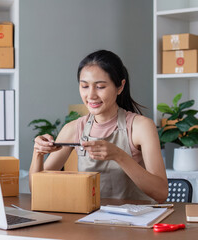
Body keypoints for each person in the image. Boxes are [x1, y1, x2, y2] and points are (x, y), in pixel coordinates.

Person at [29, 50, 168, 203]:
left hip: (135, 223)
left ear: (120, 87)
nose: (91, 95)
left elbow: (161, 193)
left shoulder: (141, 127)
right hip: (90, 220)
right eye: (84, 86)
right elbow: (36, 188)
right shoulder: (73, 129)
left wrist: (119, 155)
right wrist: (38, 153)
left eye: (100, 87)